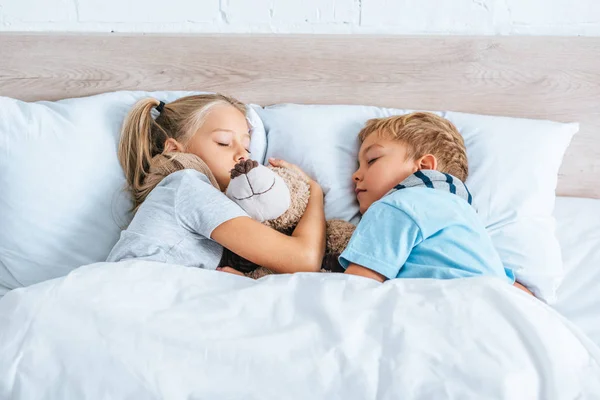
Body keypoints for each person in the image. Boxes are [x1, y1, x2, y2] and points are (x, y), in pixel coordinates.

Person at [107, 94, 325, 275]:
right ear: (174, 149)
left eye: (247, 147)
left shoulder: (179, 192)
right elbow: (304, 260)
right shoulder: (188, 186)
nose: (242, 154)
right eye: (223, 143)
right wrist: (314, 191)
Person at [341, 112, 531, 294]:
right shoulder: (468, 217)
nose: (355, 175)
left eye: (372, 160)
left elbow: (357, 287)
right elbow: (508, 287)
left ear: (423, 167)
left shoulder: (395, 205)